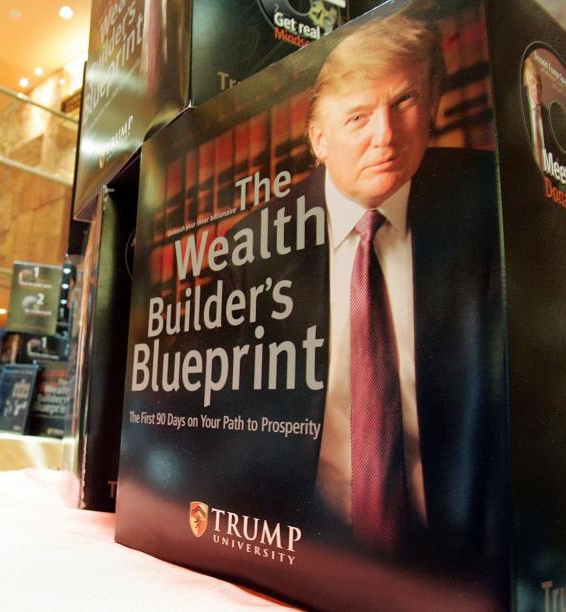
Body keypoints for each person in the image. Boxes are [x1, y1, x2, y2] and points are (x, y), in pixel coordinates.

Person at [215, 9, 506, 567]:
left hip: (463, 553)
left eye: (404, 102)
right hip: (304, 547)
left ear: (434, 107)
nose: (386, 136)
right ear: (318, 139)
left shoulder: (489, 205)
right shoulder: (252, 246)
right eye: (357, 118)